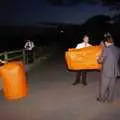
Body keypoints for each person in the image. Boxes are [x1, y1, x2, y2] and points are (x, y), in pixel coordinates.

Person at [96, 36, 120, 102]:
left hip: (107, 71)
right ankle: (110, 99)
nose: (105, 44)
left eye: (105, 43)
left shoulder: (106, 50)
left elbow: (100, 61)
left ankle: (101, 99)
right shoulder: (118, 49)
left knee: (104, 86)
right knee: (112, 87)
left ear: (106, 42)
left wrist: (98, 58)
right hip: (115, 71)